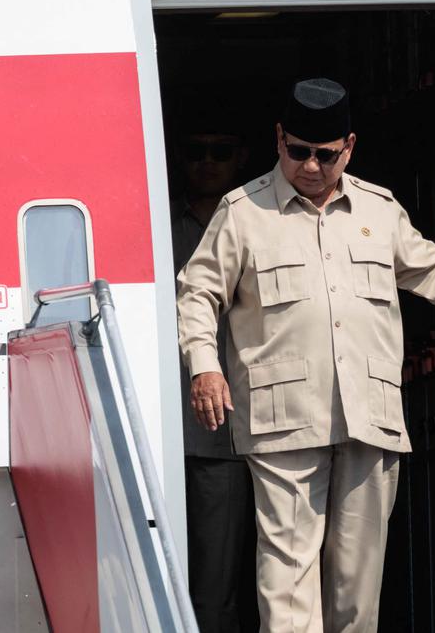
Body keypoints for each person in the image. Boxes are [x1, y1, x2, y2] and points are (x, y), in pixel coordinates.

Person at [175, 77, 435, 633]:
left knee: (358, 585)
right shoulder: (243, 210)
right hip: (284, 419)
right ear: (278, 139)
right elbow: (198, 292)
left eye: (325, 155)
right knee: (287, 579)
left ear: (348, 147)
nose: (310, 166)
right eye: (297, 150)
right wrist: (205, 366)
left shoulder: (379, 209)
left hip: (369, 413)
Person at [169, 123, 259, 633]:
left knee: (215, 590)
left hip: (226, 432)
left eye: (220, 150)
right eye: (195, 150)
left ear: (240, 156)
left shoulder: (257, 219)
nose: (207, 161)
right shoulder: (157, 223)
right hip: (159, 424)